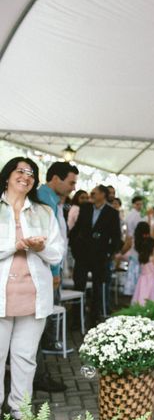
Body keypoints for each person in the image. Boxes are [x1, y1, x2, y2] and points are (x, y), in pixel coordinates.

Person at [0, 157, 64, 420]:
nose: (26, 176)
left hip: (33, 296)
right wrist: (15, 245)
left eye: (31, 173)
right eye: (20, 171)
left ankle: (20, 412)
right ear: (7, 176)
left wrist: (41, 248)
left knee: (25, 359)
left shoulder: (44, 212)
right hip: (1, 297)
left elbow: (57, 254)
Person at [34, 161, 78, 391]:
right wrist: (53, 272)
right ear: (56, 179)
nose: (73, 187)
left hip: (52, 269)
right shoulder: (43, 198)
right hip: (45, 271)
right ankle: (38, 376)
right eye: (71, 182)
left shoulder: (54, 199)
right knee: (38, 324)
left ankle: (39, 373)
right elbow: (46, 239)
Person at [69, 185, 122, 327]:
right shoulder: (85, 208)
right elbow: (76, 228)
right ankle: (76, 320)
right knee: (78, 286)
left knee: (98, 289)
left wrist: (109, 254)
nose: (91, 194)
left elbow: (116, 237)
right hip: (82, 255)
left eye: (94, 193)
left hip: (100, 257)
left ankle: (94, 319)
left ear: (103, 195)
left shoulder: (112, 213)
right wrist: (74, 247)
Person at [131, 235, 154, 304]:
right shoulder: (153, 258)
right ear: (151, 248)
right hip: (151, 280)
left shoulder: (142, 257)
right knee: (151, 296)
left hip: (142, 279)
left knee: (141, 294)